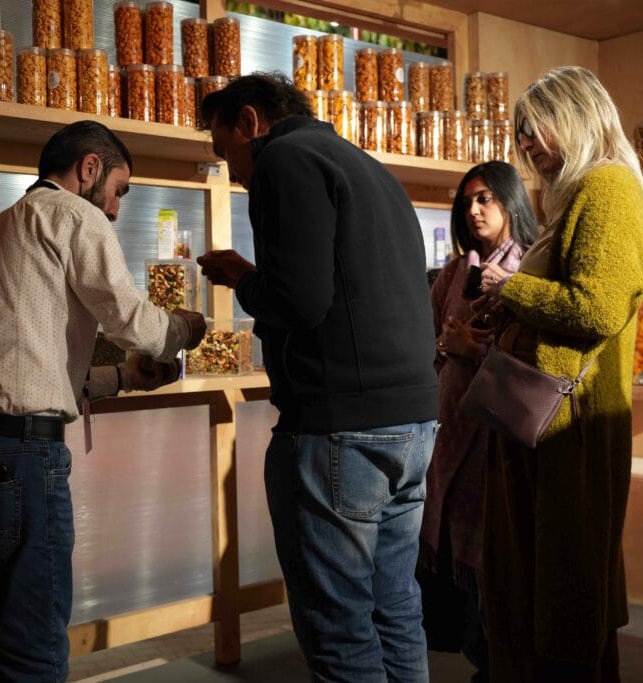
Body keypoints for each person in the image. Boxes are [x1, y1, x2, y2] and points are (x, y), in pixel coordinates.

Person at [0, 120, 206, 682]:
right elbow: (134, 323)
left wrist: (123, 379)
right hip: (20, 463)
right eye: (120, 190)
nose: (117, 210)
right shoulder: (74, 215)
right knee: (33, 655)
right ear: (90, 168)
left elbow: (25, 369)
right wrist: (188, 327)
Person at [196, 73, 438, 683]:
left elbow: (300, 301)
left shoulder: (284, 158)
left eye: (228, 154)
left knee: (339, 627)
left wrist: (240, 278)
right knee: (396, 608)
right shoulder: (370, 167)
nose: (239, 172)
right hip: (413, 421)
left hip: (342, 427)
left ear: (250, 122)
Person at [476, 66, 643, 682]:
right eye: (520, 132)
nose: (525, 144)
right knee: (547, 589)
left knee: (564, 593)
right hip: (548, 424)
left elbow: (599, 308)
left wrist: (513, 286)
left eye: (535, 129)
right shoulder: (572, 193)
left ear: (574, 117)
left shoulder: (606, 188)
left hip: (569, 428)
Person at [417, 161, 537, 682]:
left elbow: (536, 362)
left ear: (511, 202)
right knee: (463, 572)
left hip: (505, 434)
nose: (474, 210)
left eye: (486, 198)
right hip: (451, 432)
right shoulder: (450, 274)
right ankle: (483, 659)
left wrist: (471, 349)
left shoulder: (531, 270)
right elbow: (425, 346)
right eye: (467, 201)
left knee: (502, 563)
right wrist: (450, 345)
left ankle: (501, 665)